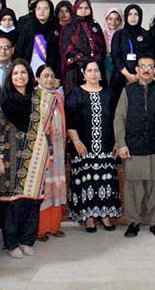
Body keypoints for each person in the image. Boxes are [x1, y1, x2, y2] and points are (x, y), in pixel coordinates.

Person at [0, 59, 53, 258]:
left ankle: (28, 239)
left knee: (32, 201)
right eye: (16, 73)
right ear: (10, 76)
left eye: (23, 73)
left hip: (35, 155)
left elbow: (47, 130)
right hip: (9, 158)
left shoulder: (39, 98)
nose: (20, 77)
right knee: (11, 202)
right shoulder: (2, 99)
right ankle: (11, 243)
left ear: (29, 76)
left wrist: (49, 153)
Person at [114, 54, 155, 238]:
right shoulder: (128, 90)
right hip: (133, 146)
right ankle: (133, 222)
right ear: (137, 70)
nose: (146, 69)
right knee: (133, 188)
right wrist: (121, 144)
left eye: (150, 66)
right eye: (142, 66)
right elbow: (119, 118)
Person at [65, 59, 121, 232]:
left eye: (96, 70)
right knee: (86, 182)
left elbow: (114, 119)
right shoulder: (75, 94)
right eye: (90, 70)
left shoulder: (109, 94)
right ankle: (88, 217)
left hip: (105, 147)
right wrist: (77, 142)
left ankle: (104, 215)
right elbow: (70, 122)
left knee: (106, 181)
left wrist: (118, 141)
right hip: (83, 147)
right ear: (83, 73)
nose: (93, 73)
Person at [35, 65, 67, 241]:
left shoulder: (58, 97)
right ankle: (41, 228)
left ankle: (55, 225)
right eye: (45, 76)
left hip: (59, 147)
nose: (49, 79)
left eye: (52, 75)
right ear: (38, 78)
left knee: (57, 185)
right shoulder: (35, 98)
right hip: (43, 149)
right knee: (44, 187)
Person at [60, 0, 106, 92]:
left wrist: (94, 62)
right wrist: (86, 60)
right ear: (75, 9)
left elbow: (102, 47)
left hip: (95, 70)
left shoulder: (95, 26)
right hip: (75, 70)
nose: (83, 11)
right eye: (80, 8)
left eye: (86, 8)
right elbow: (67, 49)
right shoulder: (69, 27)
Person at [109, 4, 152, 100]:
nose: (133, 17)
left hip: (141, 77)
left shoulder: (145, 34)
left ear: (140, 16)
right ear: (126, 17)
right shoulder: (119, 34)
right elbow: (115, 56)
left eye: (136, 14)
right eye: (130, 14)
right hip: (120, 76)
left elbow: (148, 55)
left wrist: (138, 75)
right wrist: (128, 75)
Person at [16, 0, 59, 75]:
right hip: (29, 67)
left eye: (45, 8)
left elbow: (58, 56)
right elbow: (20, 51)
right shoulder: (27, 28)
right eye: (39, 8)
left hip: (50, 71)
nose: (42, 11)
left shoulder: (56, 29)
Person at [102, 8, 123, 83]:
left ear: (121, 21)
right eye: (110, 19)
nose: (113, 22)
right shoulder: (100, 35)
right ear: (106, 20)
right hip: (105, 65)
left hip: (120, 65)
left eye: (117, 19)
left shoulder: (124, 36)